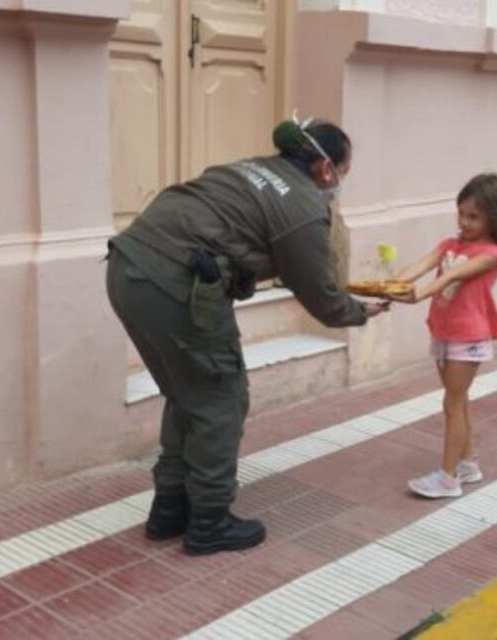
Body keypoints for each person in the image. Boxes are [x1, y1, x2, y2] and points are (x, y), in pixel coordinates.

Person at [106, 116, 389, 555]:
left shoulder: (250, 168)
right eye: (343, 174)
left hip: (128, 267)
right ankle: (209, 522)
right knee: (221, 397)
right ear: (325, 169)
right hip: (175, 283)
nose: (339, 185)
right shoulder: (302, 205)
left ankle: (169, 509)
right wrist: (358, 311)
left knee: (187, 393)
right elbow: (319, 292)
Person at [390, 173, 497, 498]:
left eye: (474, 216)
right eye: (461, 213)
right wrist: (390, 285)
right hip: (444, 331)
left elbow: (453, 274)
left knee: (452, 402)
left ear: (495, 217)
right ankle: (468, 463)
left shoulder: (492, 253)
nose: (464, 222)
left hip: (469, 337)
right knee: (458, 400)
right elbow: (420, 265)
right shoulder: (450, 244)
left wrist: (417, 295)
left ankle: (448, 479)